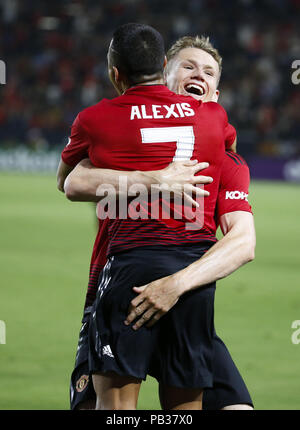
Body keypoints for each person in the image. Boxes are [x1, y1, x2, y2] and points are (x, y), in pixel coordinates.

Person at [57, 25, 254, 410]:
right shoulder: (211, 122)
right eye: (189, 67)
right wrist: (152, 179)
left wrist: (173, 286)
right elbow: (75, 182)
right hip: (160, 282)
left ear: (215, 94)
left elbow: (243, 242)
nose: (198, 75)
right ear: (163, 73)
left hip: (158, 281)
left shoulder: (105, 121)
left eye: (208, 72)